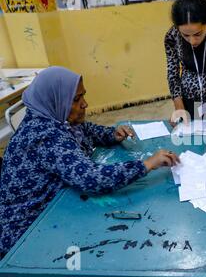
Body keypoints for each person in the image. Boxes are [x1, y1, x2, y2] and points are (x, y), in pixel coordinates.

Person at [0, 66, 180, 259]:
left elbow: (86, 129)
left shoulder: (55, 116)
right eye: (76, 100)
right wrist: (147, 164)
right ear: (55, 100)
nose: (85, 104)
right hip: (27, 231)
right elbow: (92, 179)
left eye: (83, 95)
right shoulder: (45, 136)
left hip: (53, 208)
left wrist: (112, 134)